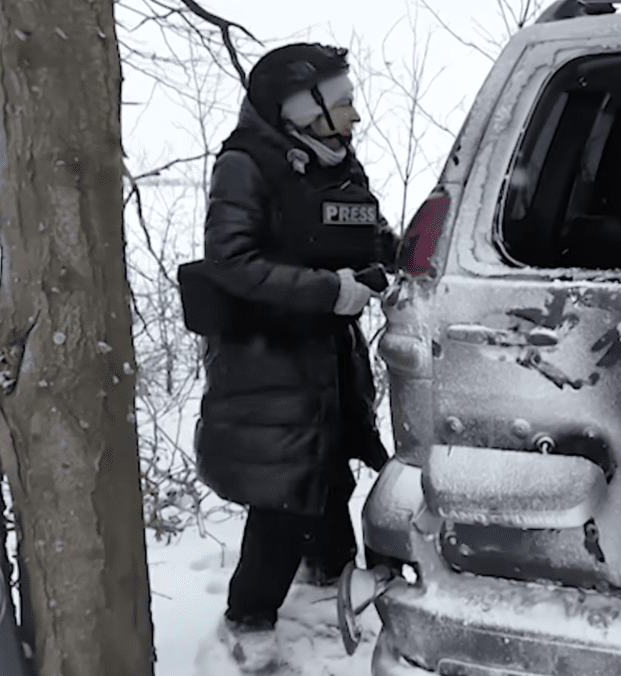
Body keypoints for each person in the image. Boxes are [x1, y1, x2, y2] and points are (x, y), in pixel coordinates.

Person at [192, 43, 397, 673]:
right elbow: (231, 262)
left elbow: (368, 231)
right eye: (342, 104)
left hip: (327, 357)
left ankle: (329, 576)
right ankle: (248, 619)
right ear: (297, 107)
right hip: (267, 362)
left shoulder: (337, 163)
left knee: (332, 467)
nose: (354, 116)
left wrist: (393, 257)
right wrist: (328, 290)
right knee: (282, 495)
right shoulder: (246, 166)